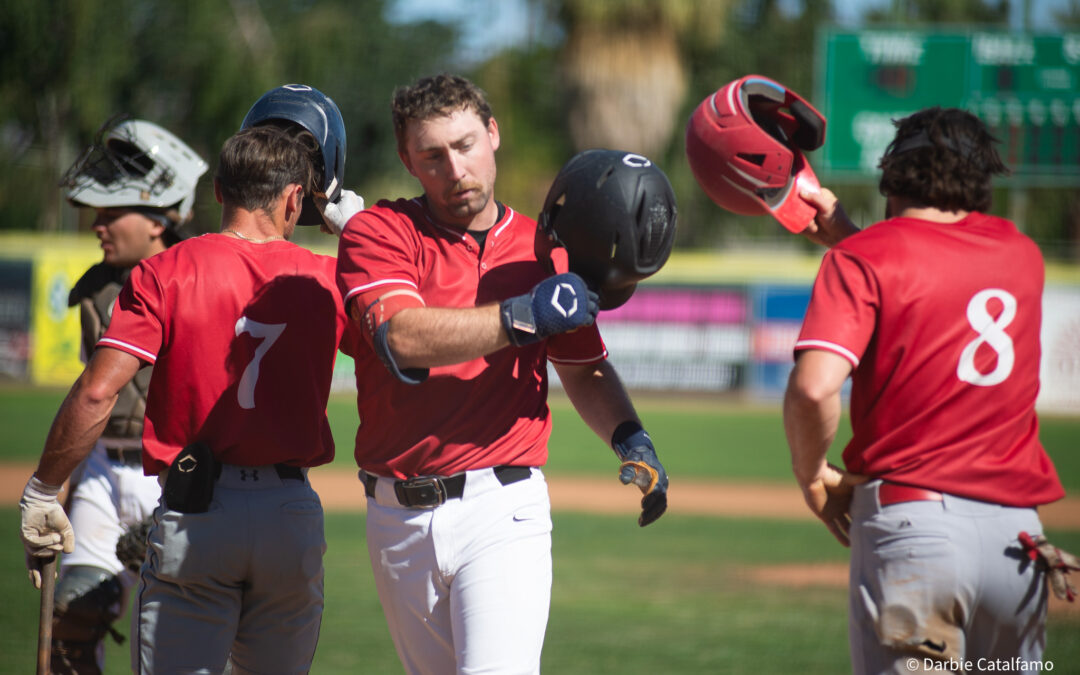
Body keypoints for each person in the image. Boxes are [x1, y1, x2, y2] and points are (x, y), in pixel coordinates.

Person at [332, 73, 670, 674]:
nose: (454, 169)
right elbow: (403, 337)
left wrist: (630, 437)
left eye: (464, 145)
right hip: (395, 516)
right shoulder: (379, 232)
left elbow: (583, 366)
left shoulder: (547, 249)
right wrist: (522, 315)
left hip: (502, 505)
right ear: (409, 159)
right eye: (432, 155)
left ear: (493, 134)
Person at [19, 83, 361, 674]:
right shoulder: (329, 278)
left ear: (220, 191)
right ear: (295, 201)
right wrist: (361, 238)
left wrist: (43, 490)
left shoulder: (163, 271)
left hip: (196, 512)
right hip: (289, 514)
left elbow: (98, 390)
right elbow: (412, 345)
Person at [782, 106, 1068, 674]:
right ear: (982, 176)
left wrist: (813, 476)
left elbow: (815, 390)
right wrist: (848, 238)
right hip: (1019, 543)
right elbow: (937, 270)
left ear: (892, 174)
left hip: (914, 534)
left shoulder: (862, 259)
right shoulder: (1023, 256)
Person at [46, 115, 208, 674]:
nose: (97, 224)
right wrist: (58, 484)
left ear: (161, 221)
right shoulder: (94, 288)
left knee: (168, 651)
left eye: (112, 213)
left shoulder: (200, 279)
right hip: (101, 471)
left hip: (174, 476)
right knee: (68, 624)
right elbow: (89, 393)